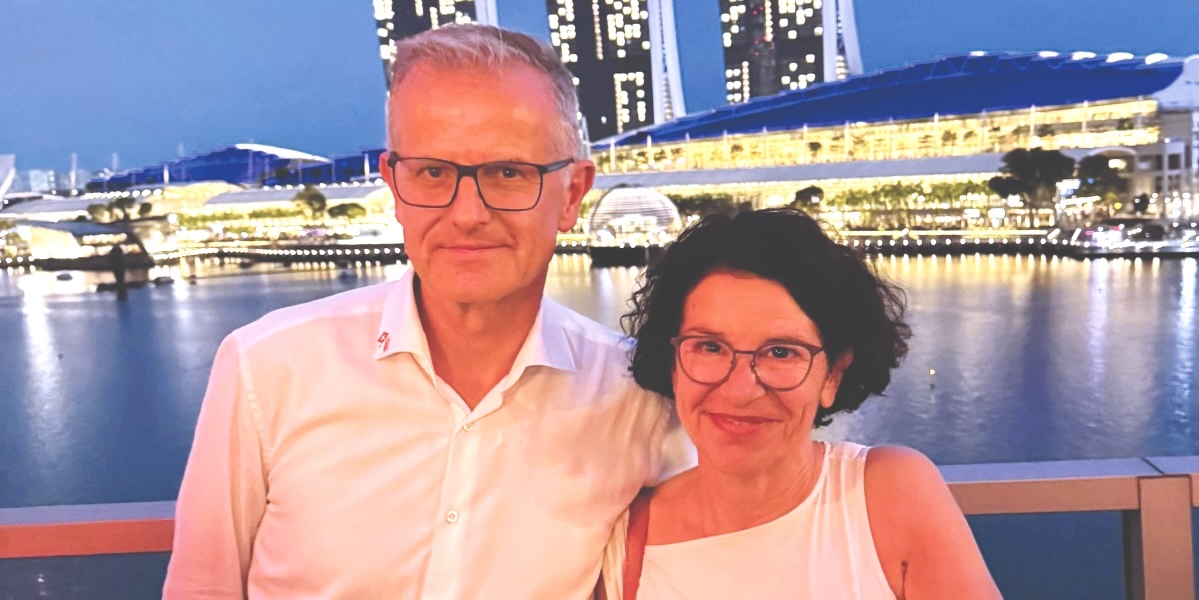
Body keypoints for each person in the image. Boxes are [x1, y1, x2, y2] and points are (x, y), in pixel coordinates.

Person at [164, 24, 691, 599]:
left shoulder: (637, 398)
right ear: (393, 185)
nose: (467, 214)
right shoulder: (268, 369)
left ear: (571, 194)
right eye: (433, 173)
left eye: (508, 173)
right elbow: (201, 588)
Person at [602, 209, 1001, 599]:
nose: (740, 390)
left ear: (832, 376)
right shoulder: (627, 546)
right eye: (709, 347)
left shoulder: (892, 499)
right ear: (673, 364)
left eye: (781, 352)